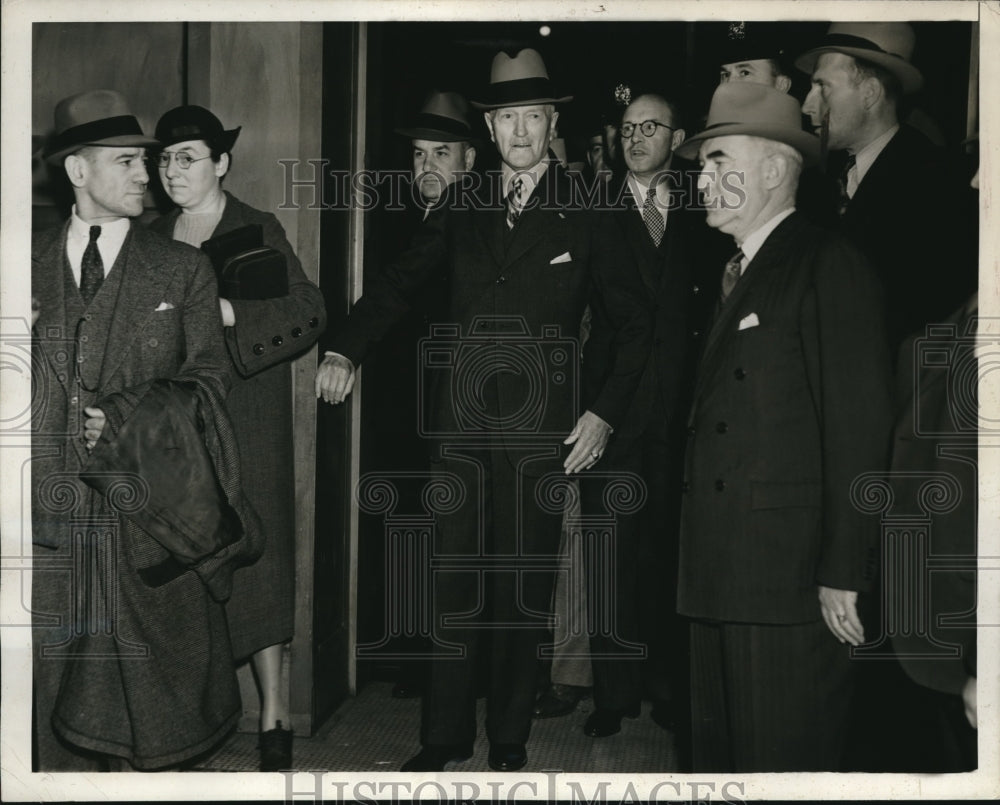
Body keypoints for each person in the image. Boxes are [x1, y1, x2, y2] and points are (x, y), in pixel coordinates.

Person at [316, 48, 651, 773]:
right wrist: (347, 347)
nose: (521, 132)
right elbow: (402, 281)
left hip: (545, 429)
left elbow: (634, 323)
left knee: (524, 585)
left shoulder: (591, 203)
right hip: (460, 424)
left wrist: (602, 414)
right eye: (508, 119)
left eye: (534, 117)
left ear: (551, 122)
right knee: (453, 579)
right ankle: (443, 734)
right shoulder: (463, 202)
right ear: (491, 128)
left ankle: (508, 733)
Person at [31, 89, 257, 770]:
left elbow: (211, 379)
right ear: (77, 170)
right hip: (47, 519)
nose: (145, 174)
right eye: (127, 161)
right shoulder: (19, 265)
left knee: (159, 720)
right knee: (44, 712)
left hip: (150, 515)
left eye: (145, 161)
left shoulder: (183, 269)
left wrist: (136, 414)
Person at [673, 82, 893, 772]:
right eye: (702, 164)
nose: (702, 178)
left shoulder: (827, 263)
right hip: (718, 573)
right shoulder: (736, 271)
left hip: (789, 586)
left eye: (718, 161)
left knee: (779, 763)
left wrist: (843, 570)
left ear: (773, 170)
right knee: (719, 763)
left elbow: (860, 430)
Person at [149, 105, 326, 771]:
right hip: (176, 431)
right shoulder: (152, 238)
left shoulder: (256, 227)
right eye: (166, 159)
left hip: (248, 422)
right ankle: (195, 719)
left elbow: (309, 310)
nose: (174, 170)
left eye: (188, 157)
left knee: (259, 569)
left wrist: (230, 311)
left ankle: (276, 717)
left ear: (221, 163)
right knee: (185, 569)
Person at [577, 92, 709, 756]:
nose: (635, 138)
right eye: (627, 129)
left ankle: (670, 691)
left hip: (683, 413)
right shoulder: (594, 208)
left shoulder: (706, 204)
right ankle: (612, 695)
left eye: (649, 127)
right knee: (610, 560)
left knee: (672, 559)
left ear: (678, 136)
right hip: (614, 413)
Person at [366, 90, 478, 700]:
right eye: (418, 155)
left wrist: (343, 346)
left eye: (441, 152)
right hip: (412, 404)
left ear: (468, 160)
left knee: (452, 541)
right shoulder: (411, 218)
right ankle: (419, 660)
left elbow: (396, 292)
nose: (427, 166)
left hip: (457, 409)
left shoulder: (466, 215)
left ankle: (448, 672)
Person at [796, 22, 977, 355]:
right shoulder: (813, 183)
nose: (807, 105)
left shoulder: (940, 187)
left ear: (870, 94)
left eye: (823, 87)